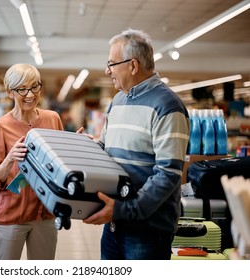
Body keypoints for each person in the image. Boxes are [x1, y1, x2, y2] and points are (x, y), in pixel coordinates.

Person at [83, 29, 190, 260]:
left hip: (147, 232)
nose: (107, 70)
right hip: (113, 225)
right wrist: (85, 146)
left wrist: (123, 209)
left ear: (133, 65)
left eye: (111, 64)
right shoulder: (118, 100)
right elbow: (107, 148)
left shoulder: (167, 106)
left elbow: (168, 174)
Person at [0, 63, 63, 260]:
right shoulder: (0, 126)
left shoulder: (53, 119)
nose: (30, 94)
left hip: (45, 213)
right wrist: (10, 159)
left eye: (35, 87)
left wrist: (76, 145)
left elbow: (62, 165)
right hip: (12, 215)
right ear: (10, 92)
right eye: (22, 89)